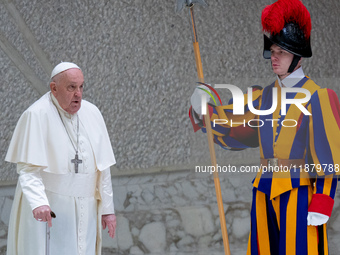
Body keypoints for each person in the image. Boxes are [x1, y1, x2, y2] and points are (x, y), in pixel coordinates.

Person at [189, 0, 339, 254]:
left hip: (299, 192)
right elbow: (235, 129)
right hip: (264, 188)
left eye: (281, 51)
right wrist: (204, 109)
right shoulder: (263, 97)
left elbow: (329, 156)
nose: (274, 57)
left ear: (297, 55)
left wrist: (323, 200)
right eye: (273, 50)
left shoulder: (318, 96)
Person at [5, 62, 117, 255]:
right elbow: (28, 170)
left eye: (81, 87)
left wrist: (108, 209)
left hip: (87, 209)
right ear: (54, 88)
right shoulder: (36, 114)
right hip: (52, 207)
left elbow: (103, 168)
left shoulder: (93, 113)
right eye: (71, 87)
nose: (78, 94)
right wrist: (39, 202)